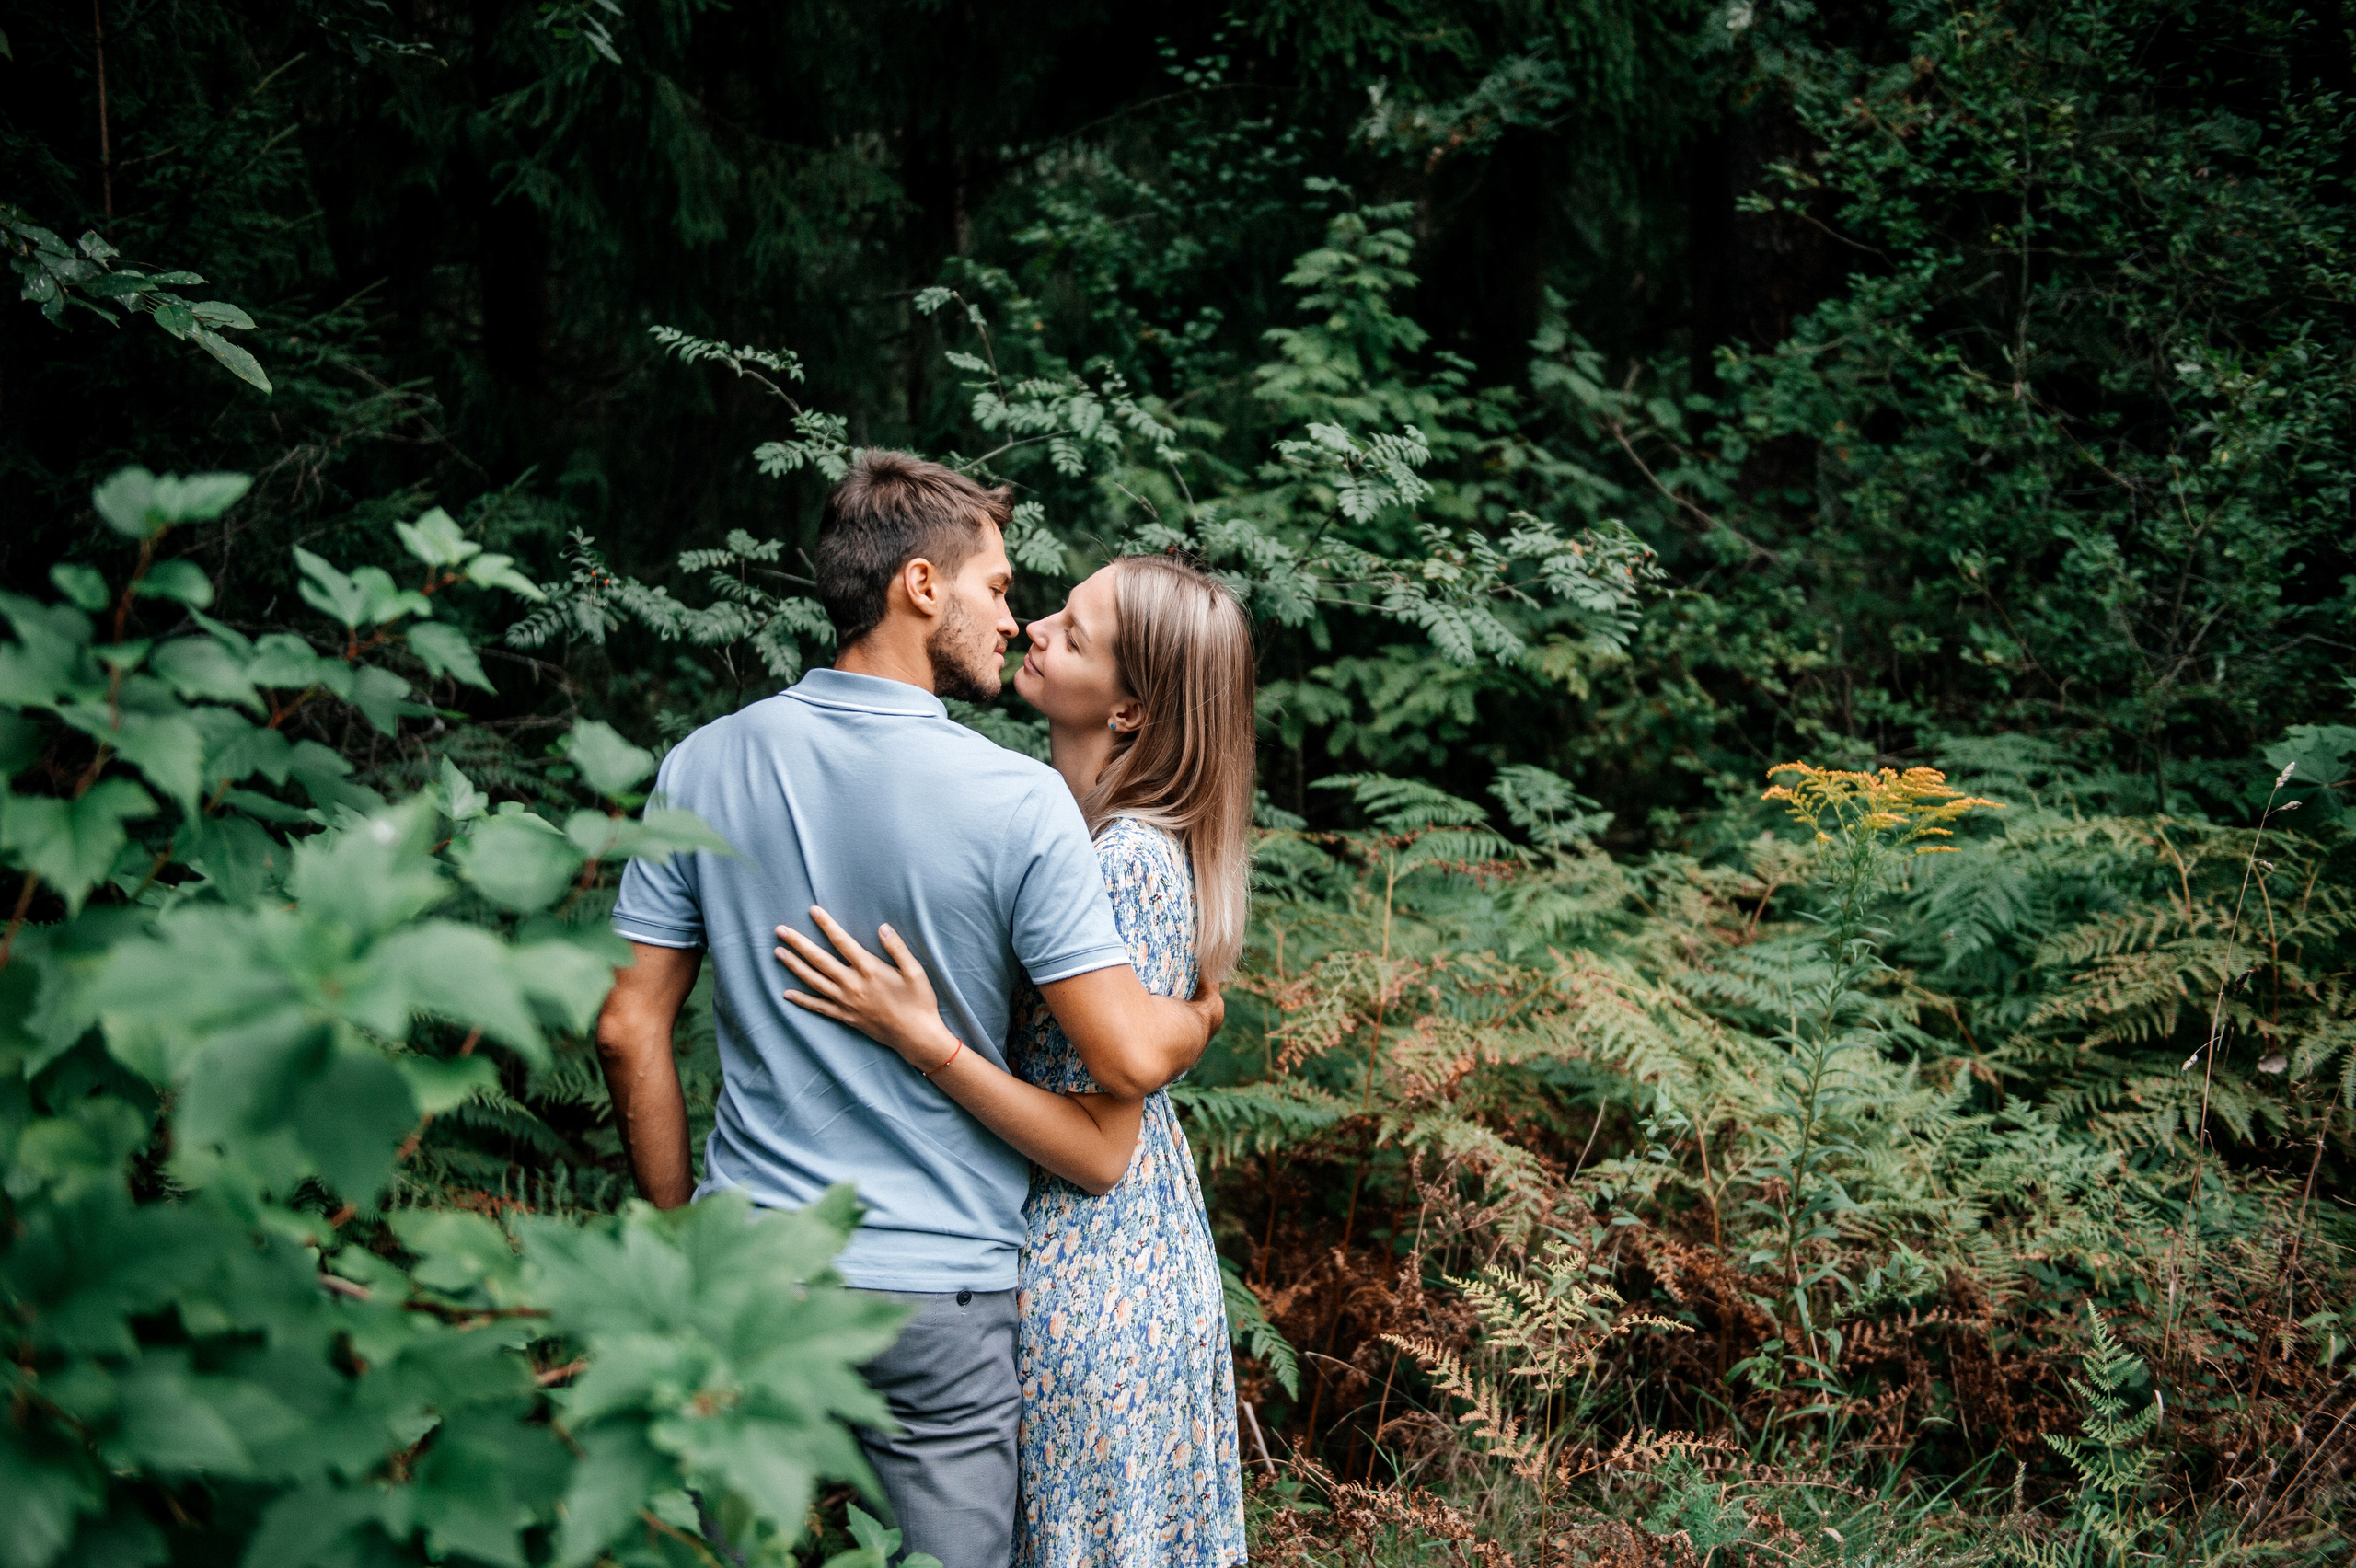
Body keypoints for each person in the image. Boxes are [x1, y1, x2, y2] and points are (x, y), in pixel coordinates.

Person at [594, 453, 1225, 1568]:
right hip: (943, 1293)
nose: (1014, 620)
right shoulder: (1018, 799)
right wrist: (1202, 1017)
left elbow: (625, 1025)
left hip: (752, 1270)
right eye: (998, 587)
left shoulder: (701, 764)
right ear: (921, 586)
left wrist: (684, 1237)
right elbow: (1127, 1055)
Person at [772, 551, 1253, 1568]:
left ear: (1128, 711)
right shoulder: (1072, 831)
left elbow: (1097, 1152)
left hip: (1091, 1277)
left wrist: (927, 1042)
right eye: (1054, 613)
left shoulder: (1124, 863)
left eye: (1073, 635)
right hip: (1075, 1260)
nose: (1034, 626)